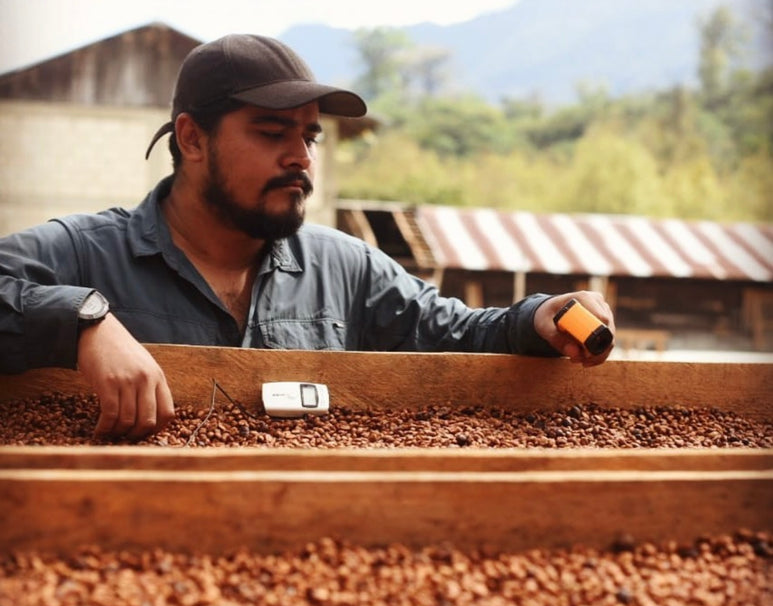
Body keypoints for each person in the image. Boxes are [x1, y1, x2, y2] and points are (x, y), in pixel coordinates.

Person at [0, 34, 615, 440]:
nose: (301, 158)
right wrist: (84, 319)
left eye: (310, 137)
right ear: (191, 140)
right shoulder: (84, 253)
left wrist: (543, 316)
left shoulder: (344, 267)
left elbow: (452, 331)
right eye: (272, 133)